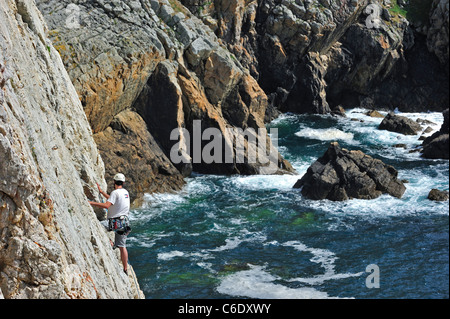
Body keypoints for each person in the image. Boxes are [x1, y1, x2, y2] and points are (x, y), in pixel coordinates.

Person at [89, 173, 130, 275]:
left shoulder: (115, 192)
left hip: (114, 222)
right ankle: (125, 269)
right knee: (122, 246)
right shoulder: (125, 192)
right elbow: (113, 200)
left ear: (114, 182)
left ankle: (111, 243)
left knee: (98, 225)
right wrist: (102, 192)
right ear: (123, 182)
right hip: (125, 222)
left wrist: (91, 203)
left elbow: (107, 205)